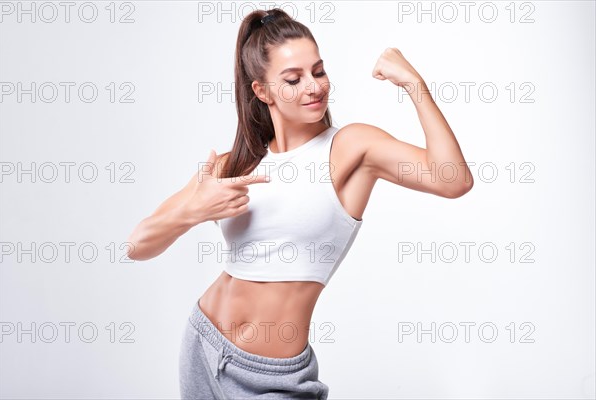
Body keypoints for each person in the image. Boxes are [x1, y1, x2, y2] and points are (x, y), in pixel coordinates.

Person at [126, 8, 473, 400]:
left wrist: (414, 83)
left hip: (272, 376)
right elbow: (137, 245)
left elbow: (453, 179)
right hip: (202, 343)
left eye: (319, 71)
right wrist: (193, 210)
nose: (314, 87)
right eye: (293, 79)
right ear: (262, 91)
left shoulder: (350, 148)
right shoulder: (234, 165)